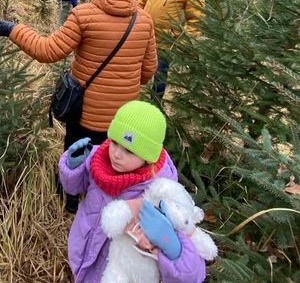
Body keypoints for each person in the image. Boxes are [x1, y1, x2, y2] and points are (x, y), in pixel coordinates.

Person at [0, 0, 157, 211]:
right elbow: (148, 72)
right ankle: (101, 202)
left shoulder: (84, 15)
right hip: (123, 117)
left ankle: (68, 200)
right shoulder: (144, 20)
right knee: (113, 158)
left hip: (85, 111)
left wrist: (14, 29)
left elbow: (47, 51)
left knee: (76, 153)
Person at [59, 100, 206, 283]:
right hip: (83, 255)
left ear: (148, 157)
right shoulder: (99, 159)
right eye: (114, 142)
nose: (116, 154)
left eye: (129, 150)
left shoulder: (161, 192)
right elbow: (73, 188)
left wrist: (173, 248)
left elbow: (194, 275)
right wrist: (72, 166)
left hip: (116, 273)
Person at [138, 0, 204, 96]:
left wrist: (183, 42)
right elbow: (141, 3)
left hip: (166, 42)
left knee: (159, 78)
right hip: (141, 36)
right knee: (134, 72)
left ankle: (155, 106)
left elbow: (195, 20)